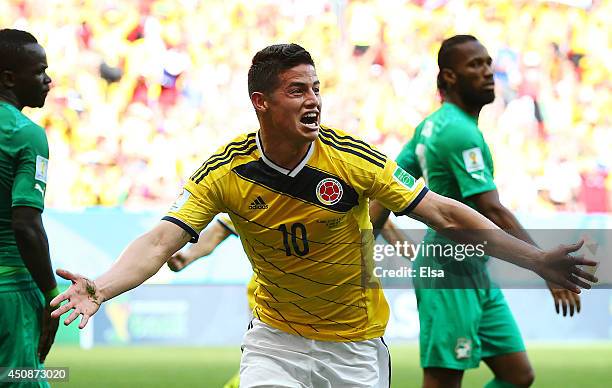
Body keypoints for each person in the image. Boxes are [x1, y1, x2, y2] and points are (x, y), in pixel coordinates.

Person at [51, 43, 596, 387]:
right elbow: (159, 242)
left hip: (355, 348)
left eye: (316, 89)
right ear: (261, 102)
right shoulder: (224, 170)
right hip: (275, 341)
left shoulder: (354, 159)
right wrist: (101, 287)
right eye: (297, 91)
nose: (313, 100)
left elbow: (446, 214)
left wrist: (537, 259)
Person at [370, 35, 583, 388]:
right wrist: (544, 263)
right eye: (475, 65)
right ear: (450, 76)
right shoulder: (458, 132)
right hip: (449, 274)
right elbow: (492, 209)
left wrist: (380, 235)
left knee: (518, 375)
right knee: (444, 380)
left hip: (473, 270)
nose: (487, 72)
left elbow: (384, 187)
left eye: (487, 63)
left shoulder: (432, 126)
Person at [0, 29, 57, 386]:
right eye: (39, 71)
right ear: (8, 78)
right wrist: (51, 294)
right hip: (11, 289)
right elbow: (25, 224)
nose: (47, 80)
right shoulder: (25, 133)